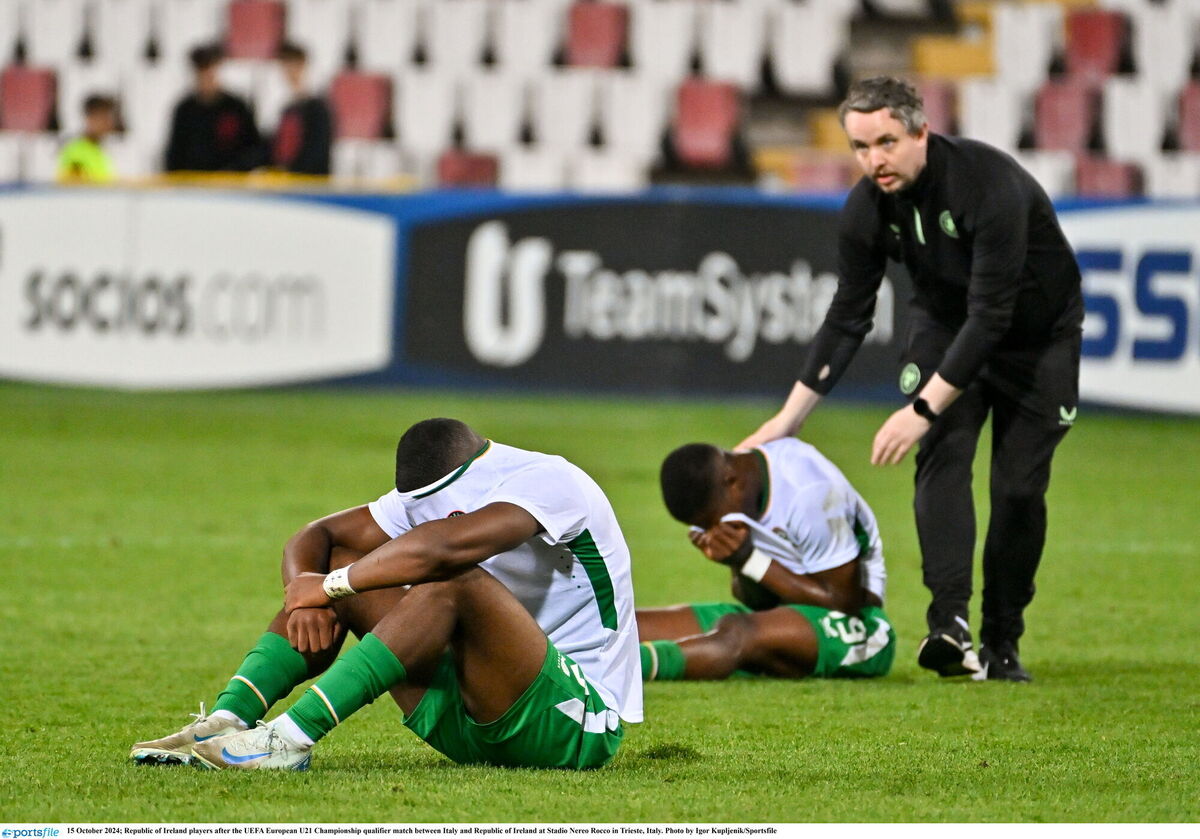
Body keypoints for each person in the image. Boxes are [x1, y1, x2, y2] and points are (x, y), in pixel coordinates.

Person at [739, 77, 1083, 682]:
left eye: (887, 142)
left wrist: (918, 409)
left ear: (922, 131)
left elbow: (993, 317)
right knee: (943, 455)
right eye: (861, 147)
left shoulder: (989, 187)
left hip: (1037, 341)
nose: (875, 160)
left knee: (1018, 492)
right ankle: (949, 626)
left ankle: (1004, 642)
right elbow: (848, 316)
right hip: (946, 327)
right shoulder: (867, 209)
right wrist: (786, 421)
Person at [130, 418, 642, 771]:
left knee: (450, 579)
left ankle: (286, 741)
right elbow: (318, 536)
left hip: (575, 721)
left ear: (468, 480)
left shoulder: (550, 480)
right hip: (469, 713)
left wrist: (332, 587)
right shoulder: (428, 497)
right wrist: (304, 594)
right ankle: (224, 720)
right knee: (345, 563)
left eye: (439, 507)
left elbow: (445, 548)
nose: (425, 515)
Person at [636, 438, 894, 682]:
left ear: (732, 482)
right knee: (632, 625)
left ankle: (624, 669)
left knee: (736, 632)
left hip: (862, 627)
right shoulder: (746, 486)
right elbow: (759, 602)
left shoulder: (809, 492)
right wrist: (736, 562)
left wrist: (749, 560)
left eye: (713, 521)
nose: (715, 530)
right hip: (784, 615)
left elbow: (844, 602)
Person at [164, 43, 264, 172]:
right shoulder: (185, 110)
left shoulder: (236, 107)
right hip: (193, 185)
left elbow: (254, 149)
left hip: (232, 186)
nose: (207, 78)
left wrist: (235, 170)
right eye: (202, 73)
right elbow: (174, 154)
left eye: (210, 72)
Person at [271, 41, 332, 175]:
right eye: (285, 66)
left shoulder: (318, 109)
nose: (289, 71)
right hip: (287, 183)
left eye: (293, 65)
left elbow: (318, 152)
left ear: (304, 66)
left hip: (308, 185)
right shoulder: (287, 109)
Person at [57, 94, 119, 183]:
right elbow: (73, 190)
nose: (108, 123)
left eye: (109, 118)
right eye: (103, 117)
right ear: (90, 118)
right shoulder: (76, 152)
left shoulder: (100, 150)